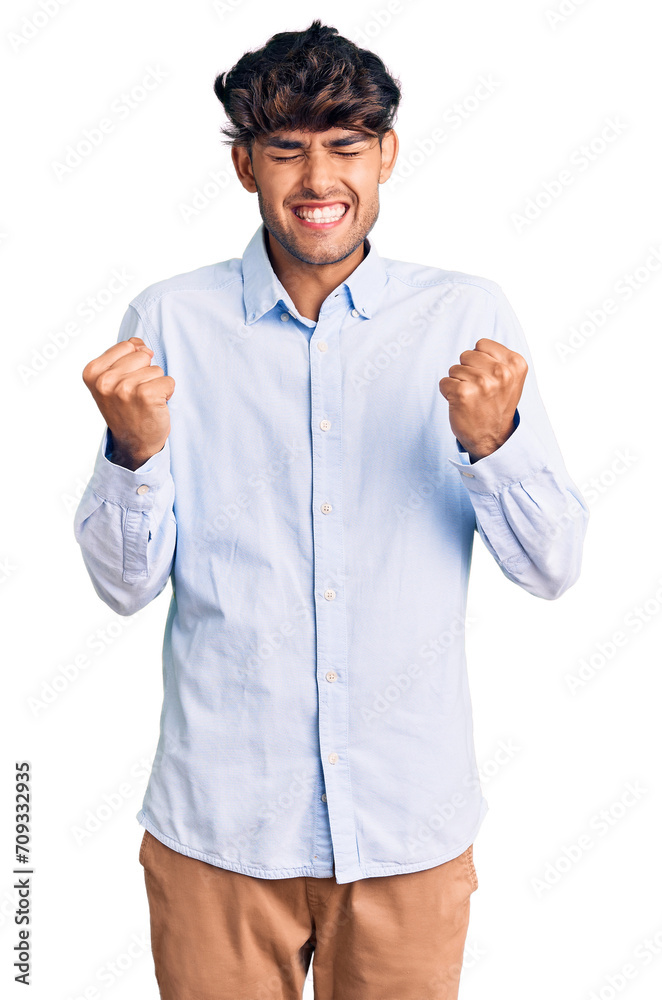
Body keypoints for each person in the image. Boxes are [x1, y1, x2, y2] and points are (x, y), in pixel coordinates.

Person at [74, 19, 589, 1000]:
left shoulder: (463, 317)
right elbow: (122, 586)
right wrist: (131, 450)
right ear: (243, 167)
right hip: (216, 832)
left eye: (344, 148)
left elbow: (552, 565)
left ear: (385, 154)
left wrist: (495, 439)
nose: (317, 181)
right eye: (285, 151)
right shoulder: (169, 321)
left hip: (407, 828)